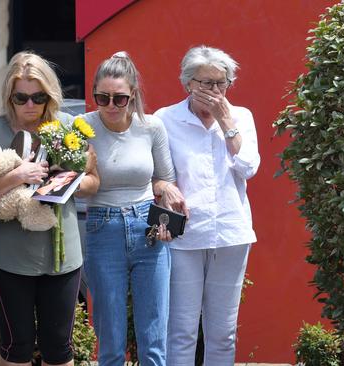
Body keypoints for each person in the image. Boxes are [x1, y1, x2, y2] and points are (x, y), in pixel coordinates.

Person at [0, 51, 99, 366]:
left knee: (59, 349)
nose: (30, 105)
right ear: (9, 97)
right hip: (7, 258)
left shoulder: (70, 127)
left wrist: (66, 183)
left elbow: (95, 181)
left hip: (63, 258)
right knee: (16, 347)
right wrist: (16, 176)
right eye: (21, 97)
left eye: (38, 97)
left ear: (49, 94)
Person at [154, 45, 260, 366]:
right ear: (188, 83)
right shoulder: (165, 119)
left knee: (223, 332)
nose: (215, 91)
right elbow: (156, 175)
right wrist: (164, 189)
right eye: (206, 83)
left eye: (221, 83)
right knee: (182, 330)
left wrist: (227, 123)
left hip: (231, 233)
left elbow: (249, 168)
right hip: (184, 235)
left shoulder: (241, 116)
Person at [82, 51, 183, 366]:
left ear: (133, 94)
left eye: (120, 98)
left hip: (146, 226)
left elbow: (165, 180)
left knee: (153, 338)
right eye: (102, 97)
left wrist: (168, 221)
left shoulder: (151, 127)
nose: (110, 105)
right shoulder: (81, 126)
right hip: (102, 226)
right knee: (110, 339)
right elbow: (68, 180)